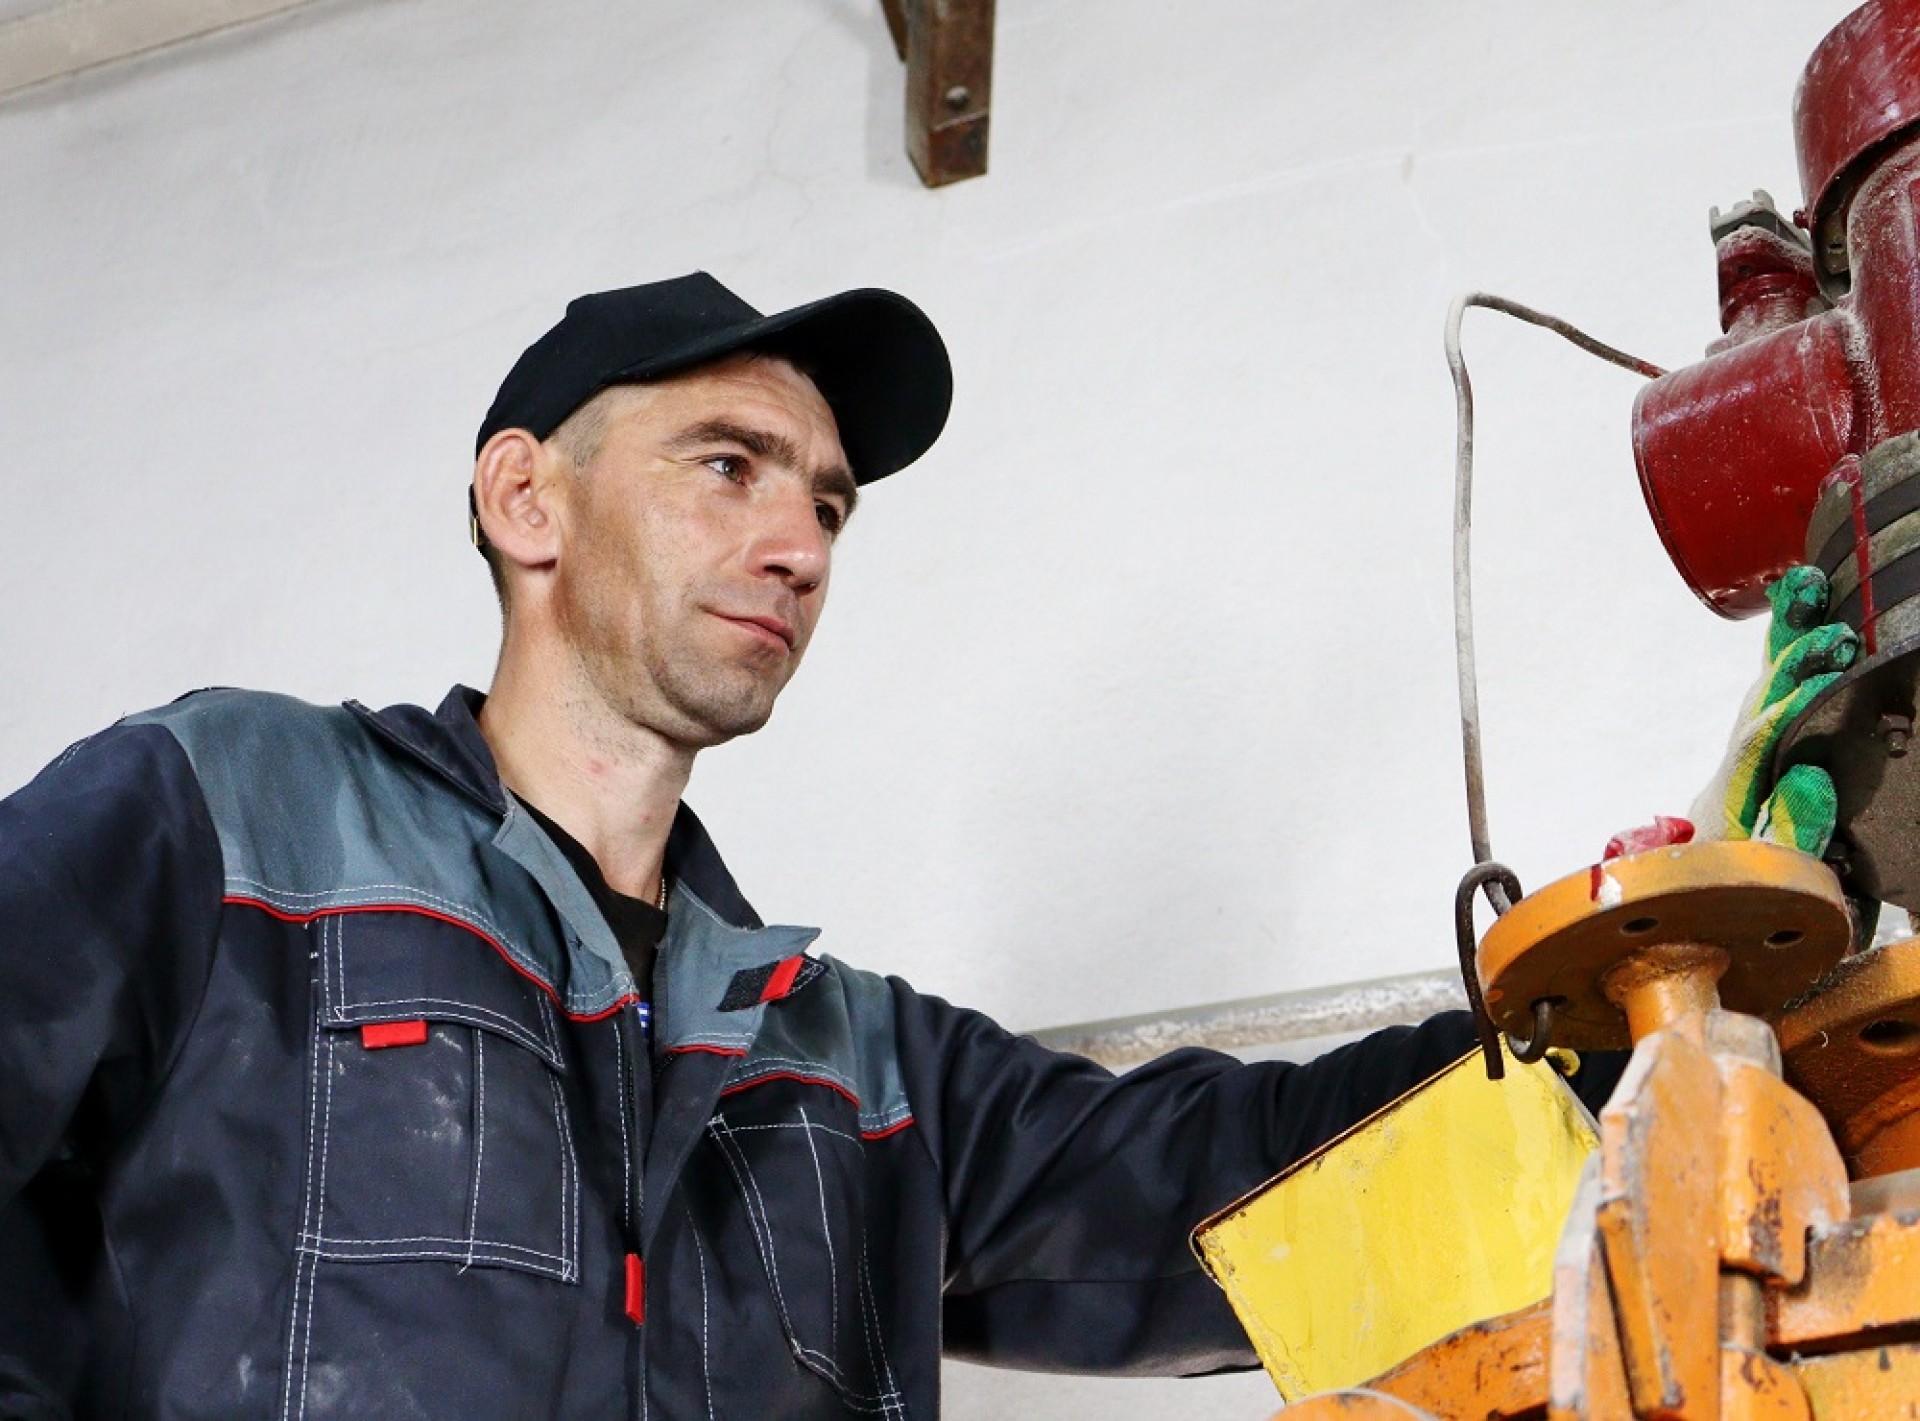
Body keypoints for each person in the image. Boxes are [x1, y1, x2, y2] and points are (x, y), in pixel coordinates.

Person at [0, 273, 1618, 1419]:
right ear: (526, 500)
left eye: (830, 507)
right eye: (729, 466)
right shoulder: (231, 814)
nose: (798, 546)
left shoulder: (856, 1067)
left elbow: (1239, 1191)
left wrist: (1627, 1031)